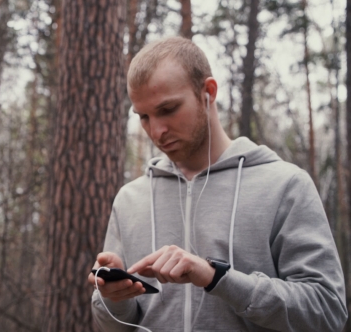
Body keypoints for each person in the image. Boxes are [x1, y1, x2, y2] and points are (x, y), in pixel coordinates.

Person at [87, 36, 348, 332]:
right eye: (144, 117)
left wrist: (218, 278)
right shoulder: (129, 200)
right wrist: (113, 297)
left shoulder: (285, 185)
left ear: (208, 92)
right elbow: (114, 326)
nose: (156, 131)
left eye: (168, 109)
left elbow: (328, 312)